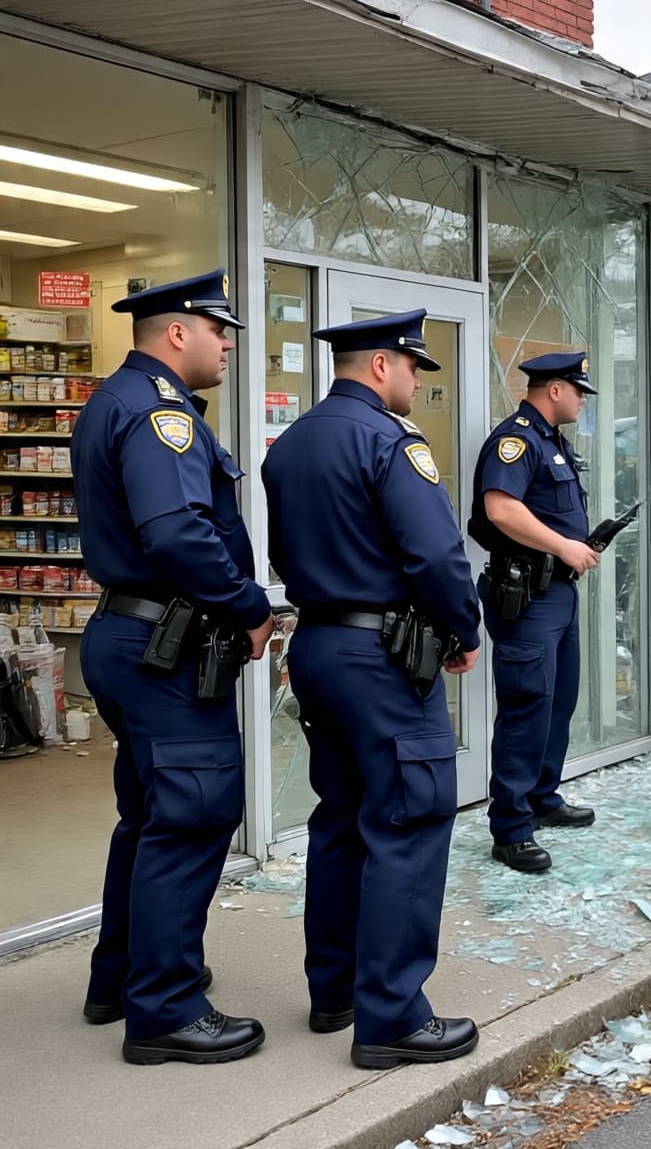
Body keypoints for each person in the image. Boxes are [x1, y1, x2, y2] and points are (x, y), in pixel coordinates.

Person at [261, 309, 483, 1070]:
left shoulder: (290, 444)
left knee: (344, 818)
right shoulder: (390, 440)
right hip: (385, 657)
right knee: (410, 821)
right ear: (383, 365)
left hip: (319, 644)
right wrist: (464, 632)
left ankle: (338, 991)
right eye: (415, 368)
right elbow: (434, 554)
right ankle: (391, 1018)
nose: (418, 383)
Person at [71, 269, 274, 1065]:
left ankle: (119, 979)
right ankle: (163, 1010)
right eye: (218, 330)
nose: (227, 344)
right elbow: (178, 534)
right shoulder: (161, 415)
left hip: (131, 637)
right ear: (178, 333)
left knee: (150, 816)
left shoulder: (115, 401)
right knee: (190, 818)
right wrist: (249, 606)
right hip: (165, 646)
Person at [468, 352, 599, 874]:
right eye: (578, 390)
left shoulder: (553, 442)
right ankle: (511, 829)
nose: (582, 399)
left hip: (557, 594)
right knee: (527, 707)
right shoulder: (516, 439)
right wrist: (563, 547)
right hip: (528, 596)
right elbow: (500, 508)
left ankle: (543, 795)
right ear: (554, 390)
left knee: (559, 701)